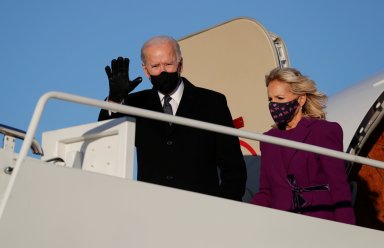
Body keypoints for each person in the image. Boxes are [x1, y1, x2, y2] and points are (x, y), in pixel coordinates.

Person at [98, 35, 247, 201]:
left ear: (180, 64)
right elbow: (105, 140)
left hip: (204, 209)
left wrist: (226, 207)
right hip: (152, 208)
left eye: (168, 64)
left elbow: (233, 166)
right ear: (145, 70)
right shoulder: (134, 104)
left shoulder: (212, 102)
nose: (162, 70)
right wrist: (115, 101)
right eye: (155, 66)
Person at [251, 67, 355, 224]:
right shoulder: (268, 140)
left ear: (301, 99)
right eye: (270, 99)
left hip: (320, 219)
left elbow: (338, 184)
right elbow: (266, 191)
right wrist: (245, 216)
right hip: (280, 224)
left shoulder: (323, 131)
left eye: (280, 98)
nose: (274, 105)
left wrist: (348, 230)